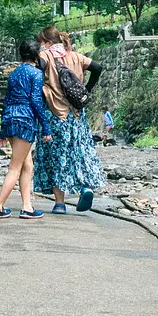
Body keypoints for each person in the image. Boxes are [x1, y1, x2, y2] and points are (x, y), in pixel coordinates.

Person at [32, 26, 105, 215]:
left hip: (55, 115)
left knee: (57, 157)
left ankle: (60, 203)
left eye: (41, 42)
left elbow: (36, 75)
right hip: (77, 115)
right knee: (79, 153)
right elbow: (97, 67)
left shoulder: (46, 57)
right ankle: (85, 188)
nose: (40, 46)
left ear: (47, 42)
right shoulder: (75, 56)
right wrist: (87, 88)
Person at [0, 40, 51, 220]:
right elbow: (35, 101)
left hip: (10, 118)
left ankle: (27, 207)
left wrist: (2, 130)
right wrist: (45, 126)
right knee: (15, 167)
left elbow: (6, 100)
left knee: (27, 164)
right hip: (25, 120)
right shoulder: (36, 73)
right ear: (36, 55)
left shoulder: (14, 73)